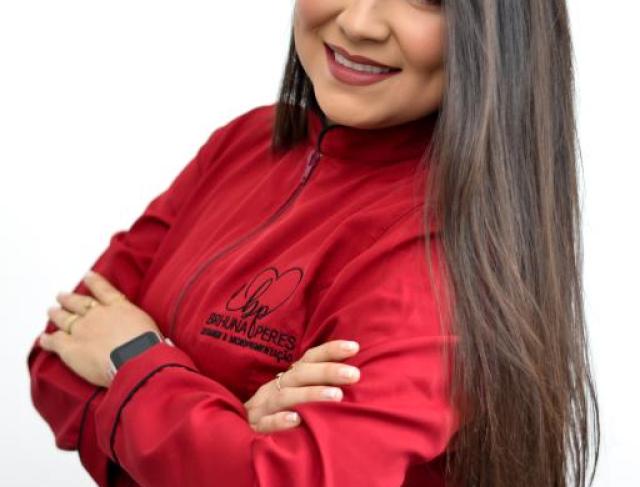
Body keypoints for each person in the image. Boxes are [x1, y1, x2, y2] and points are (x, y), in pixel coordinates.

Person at [26, 1, 600, 487]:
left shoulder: (445, 253)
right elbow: (54, 356)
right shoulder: (243, 143)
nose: (358, 23)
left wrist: (133, 360)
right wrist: (228, 430)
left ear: (497, 34)